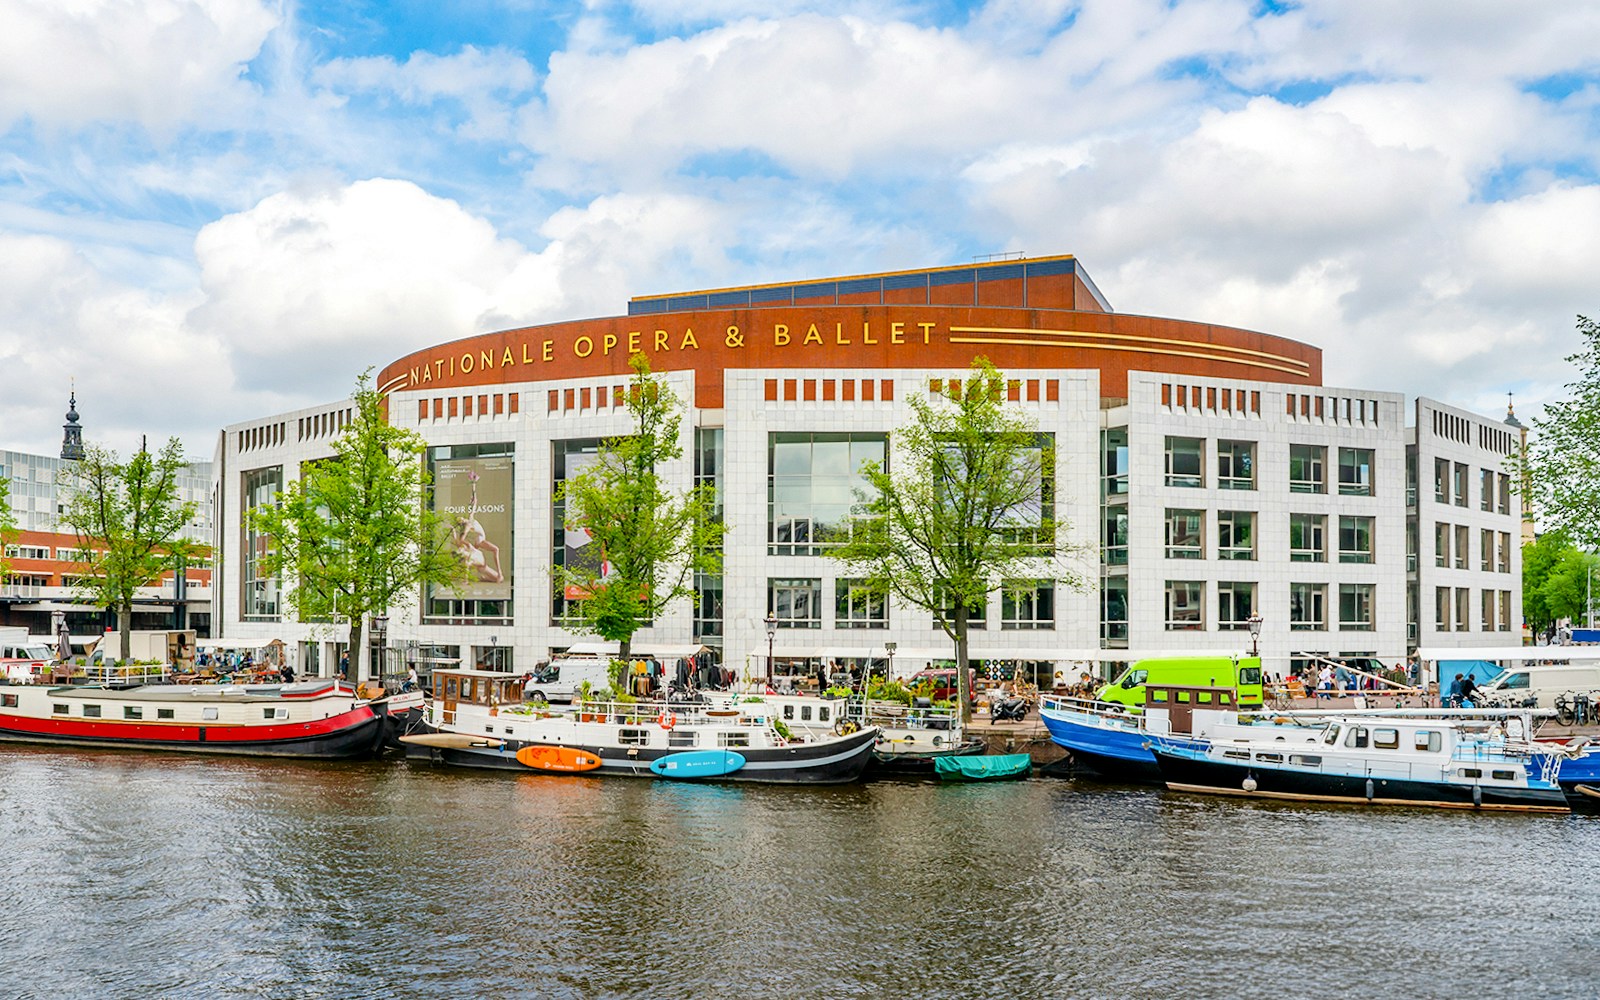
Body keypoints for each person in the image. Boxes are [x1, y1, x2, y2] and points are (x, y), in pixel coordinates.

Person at [450, 470, 503, 584]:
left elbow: (475, 503)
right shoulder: (468, 524)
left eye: (461, 518)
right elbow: (462, 539)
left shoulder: (470, 519)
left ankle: (492, 576)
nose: (463, 518)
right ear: (462, 523)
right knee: (495, 550)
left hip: (477, 542)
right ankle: (498, 572)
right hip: (479, 540)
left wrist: (473, 486)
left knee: (496, 578)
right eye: (461, 520)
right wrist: (457, 535)